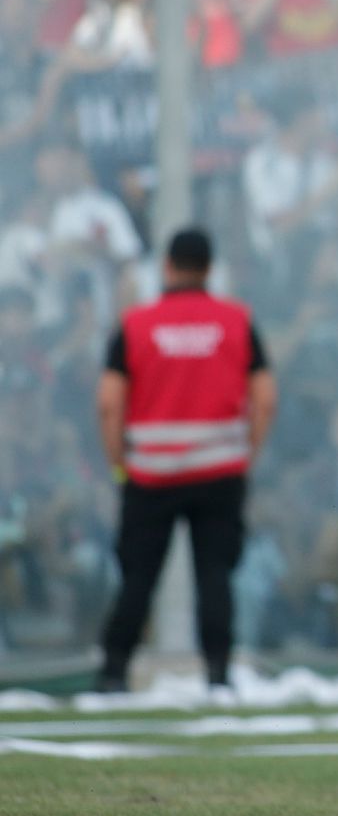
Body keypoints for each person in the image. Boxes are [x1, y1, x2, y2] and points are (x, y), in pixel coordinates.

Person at [94, 228, 277, 692]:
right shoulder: (236, 321)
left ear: (167, 266)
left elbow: (109, 402)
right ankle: (218, 674)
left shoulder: (136, 324)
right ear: (210, 270)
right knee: (215, 575)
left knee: (138, 576)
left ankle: (114, 672)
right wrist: (245, 453)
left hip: (151, 473)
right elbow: (266, 397)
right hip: (220, 471)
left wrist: (121, 464)